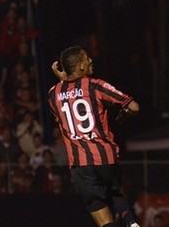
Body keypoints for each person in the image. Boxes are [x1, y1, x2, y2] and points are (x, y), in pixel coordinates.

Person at [48, 45, 140, 227]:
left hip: (80, 164)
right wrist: (124, 116)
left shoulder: (53, 94)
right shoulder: (96, 86)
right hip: (106, 157)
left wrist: (63, 81)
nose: (91, 60)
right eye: (87, 58)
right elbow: (134, 106)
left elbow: (69, 96)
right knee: (115, 194)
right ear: (80, 65)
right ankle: (132, 224)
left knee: (99, 208)